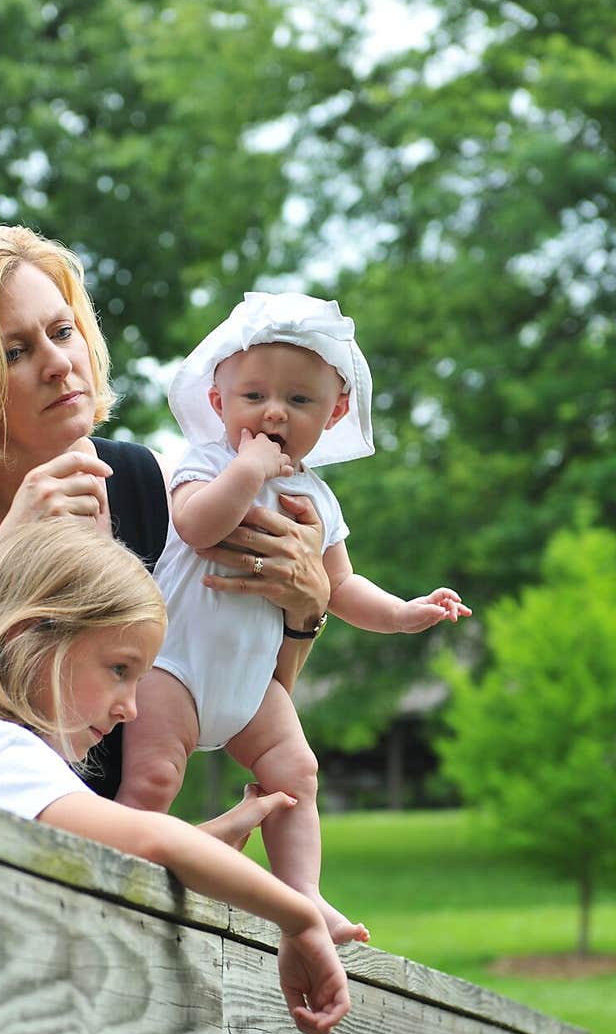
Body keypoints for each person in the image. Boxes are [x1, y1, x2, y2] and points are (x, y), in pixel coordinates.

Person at [0, 226, 330, 831]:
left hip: (117, 859)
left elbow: (235, 695)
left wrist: (302, 616)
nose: (58, 364)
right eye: (14, 352)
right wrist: (7, 557)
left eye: (61, 331)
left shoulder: (165, 489)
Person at [0, 518, 351, 1034]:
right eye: (119, 669)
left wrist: (206, 842)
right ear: (30, 635)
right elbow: (150, 842)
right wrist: (298, 917)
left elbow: (113, 851)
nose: (131, 708)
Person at [118, 291, 472, 942]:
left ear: (334, 412)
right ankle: (123, 870)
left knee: (296, 771)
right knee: (152, 774)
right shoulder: (207, 461)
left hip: (251, 685)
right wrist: (249, 470)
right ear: (219, 403)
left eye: (299, 400)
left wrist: (402, 613)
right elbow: (197, 526)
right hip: (175, 663)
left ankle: (301, 895)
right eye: (254, 396)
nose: (274, 410)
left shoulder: (317, 497)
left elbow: (338, 583)